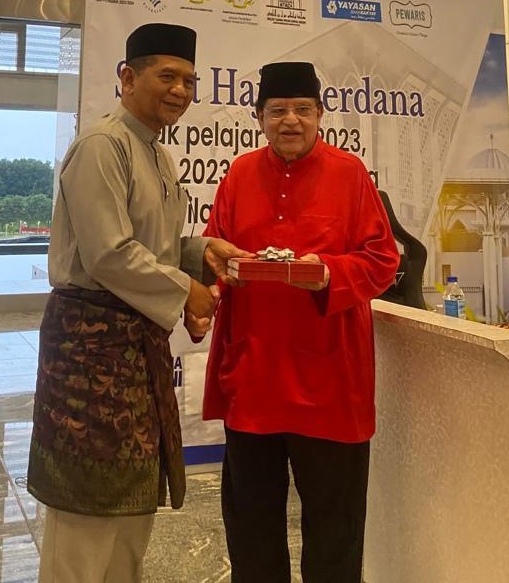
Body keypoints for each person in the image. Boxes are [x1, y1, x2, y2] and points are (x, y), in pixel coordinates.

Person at [27, 22, 252, 583]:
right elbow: (108, 253)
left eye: (189, 81)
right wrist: (187, 290)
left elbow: (154, 246)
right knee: (86, 509)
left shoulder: (157, 155)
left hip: (133, 351)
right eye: (167, 76)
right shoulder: (102, 146)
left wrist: (201, 251)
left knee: (129, 504)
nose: (180, 90)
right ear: (127, 78)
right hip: (89, 352)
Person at [202, 61, 401, 583]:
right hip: (254, 378)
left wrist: (328, 272)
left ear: (319, 115)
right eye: (277, 110)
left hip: (331, 383)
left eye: (302, 109)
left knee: (336, 534)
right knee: (252, 532)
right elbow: (214, 254)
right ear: (259, 117)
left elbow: (383, 260)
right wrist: (210, 290)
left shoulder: (350, 173)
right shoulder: (239, 174)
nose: (290, 120)